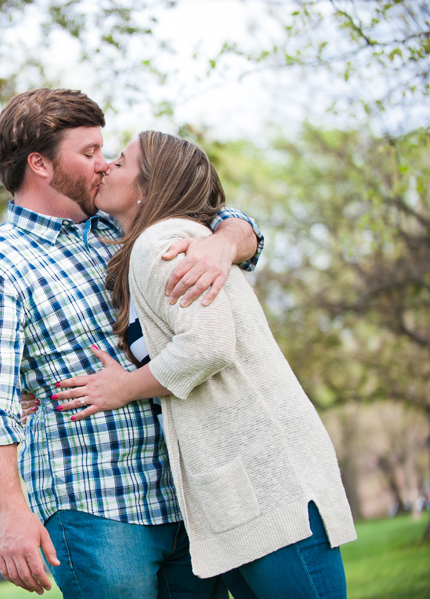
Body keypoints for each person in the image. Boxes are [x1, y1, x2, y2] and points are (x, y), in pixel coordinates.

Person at [0, 88, 263, 598]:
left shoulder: (127, 225)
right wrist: (11, 513)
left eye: (104, 151)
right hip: (96, 508)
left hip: (186, 492)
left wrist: (221, 244)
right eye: (89, 152)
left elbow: (242, 226)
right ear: (41, 165)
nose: (104, 164)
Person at [46, 131, 357, 598]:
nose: (107, 165)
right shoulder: (151, 241)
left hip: (269, 487)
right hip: (240, 496)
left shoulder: (162, 242)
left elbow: (209, 344)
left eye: (121, 161)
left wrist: (125, 387)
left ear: (147, 189)